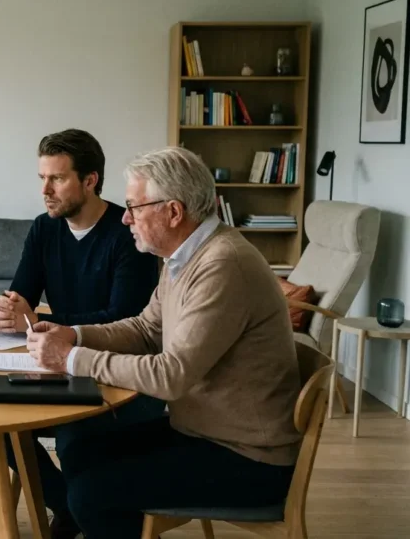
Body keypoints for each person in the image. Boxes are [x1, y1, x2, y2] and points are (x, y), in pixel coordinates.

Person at [26, 146, 303, 539]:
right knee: (80, 452)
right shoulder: (184, 257)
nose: (125, 218)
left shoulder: (222, 265)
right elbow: (145, 329)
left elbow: (171, 376)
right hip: (203, 431)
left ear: (173, 212)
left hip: (249, 457)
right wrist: (73, 333)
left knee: (91, 492)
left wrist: (71, 358)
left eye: (134, 207)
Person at [0, 128, 162, 537]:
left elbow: (126, 319)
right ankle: (68, 505)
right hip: (60, 364)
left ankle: (81, 510)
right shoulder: (44, 228)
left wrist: (46, 318)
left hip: (119, 373)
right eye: (42, 178)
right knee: (2, 426)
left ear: (90, 180)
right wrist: (7, 309)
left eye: (57, 179)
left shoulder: (126, 233)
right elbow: (23, 295)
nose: (46, 190)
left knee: (73, 432)